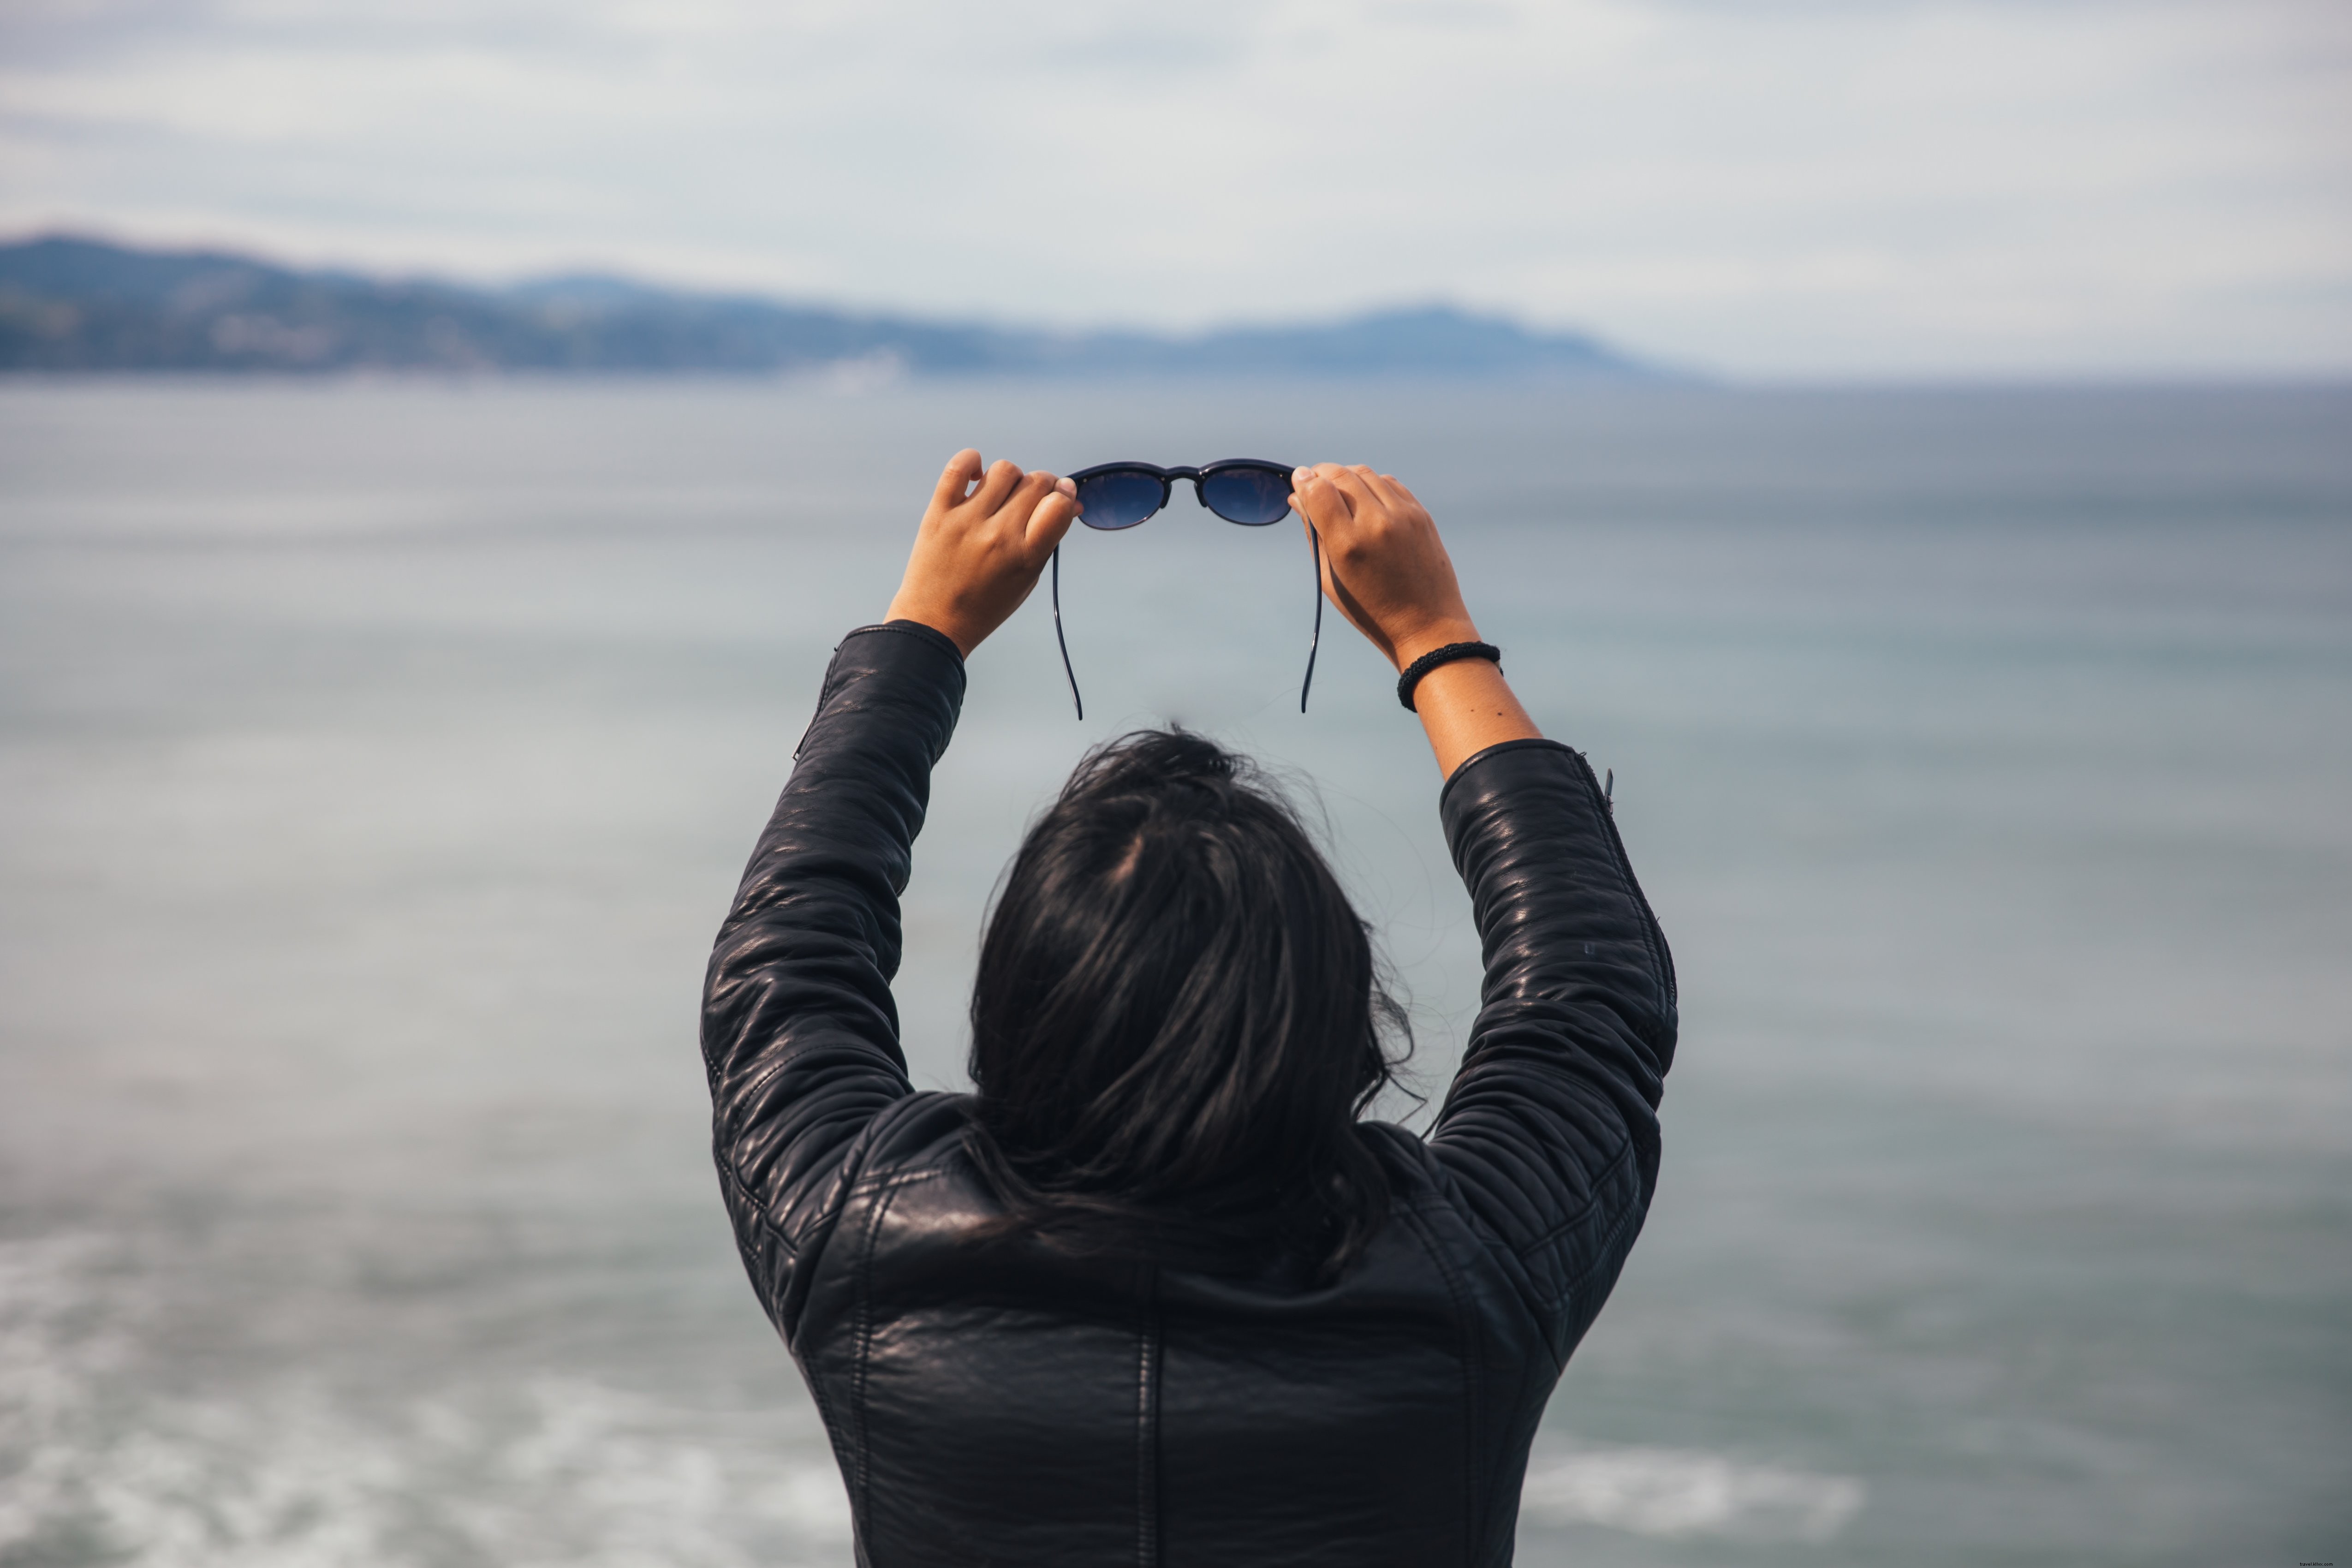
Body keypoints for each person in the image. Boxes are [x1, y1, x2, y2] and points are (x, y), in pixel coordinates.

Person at [701, 450, 1678, 1567]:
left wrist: (923, 632)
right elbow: (1590, 988)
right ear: (1337, 1016)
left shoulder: (859, 1231)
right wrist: (1435, 638)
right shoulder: (1472, 1265)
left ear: (1017, 1003)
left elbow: (787, 952)